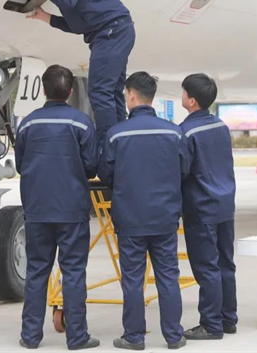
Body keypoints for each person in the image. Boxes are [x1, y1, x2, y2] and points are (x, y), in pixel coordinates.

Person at [98, 72, 189, 350]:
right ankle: (174, 336)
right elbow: (184, 169)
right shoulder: (173, 132)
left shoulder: (116, 134)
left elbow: (106, 174)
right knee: (168, 277)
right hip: (164, 217)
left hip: (130, 218)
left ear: (131, 95)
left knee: (133, 280)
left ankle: (134, 337)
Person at [15, 65, 99, 350]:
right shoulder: (82, 123)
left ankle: (30, 336)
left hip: (37, 208)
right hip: (72, 209)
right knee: (73, 271)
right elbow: (91, 166)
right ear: (71, 91)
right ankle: (77, 337)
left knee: (37, 271)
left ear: (43, 89)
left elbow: (21, 165)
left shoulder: (27, 124)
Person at [24, 0, 136, 146]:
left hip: (110, 32)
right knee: (112, 92)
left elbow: (67, 1)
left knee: (100, 91)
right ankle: (119, 143)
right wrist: (46, 17)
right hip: (116, 30)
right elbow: (78, 25)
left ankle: (108, 146)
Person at [179, 73, 237, 340]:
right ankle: (228, 319)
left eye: (183, 92)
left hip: (201, 207)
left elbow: (182, 170)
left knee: (206, 267)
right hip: (225, 204)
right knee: (225, 263)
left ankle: (211, 324)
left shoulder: (186, 132)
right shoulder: (221, 126)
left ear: (191, 100)